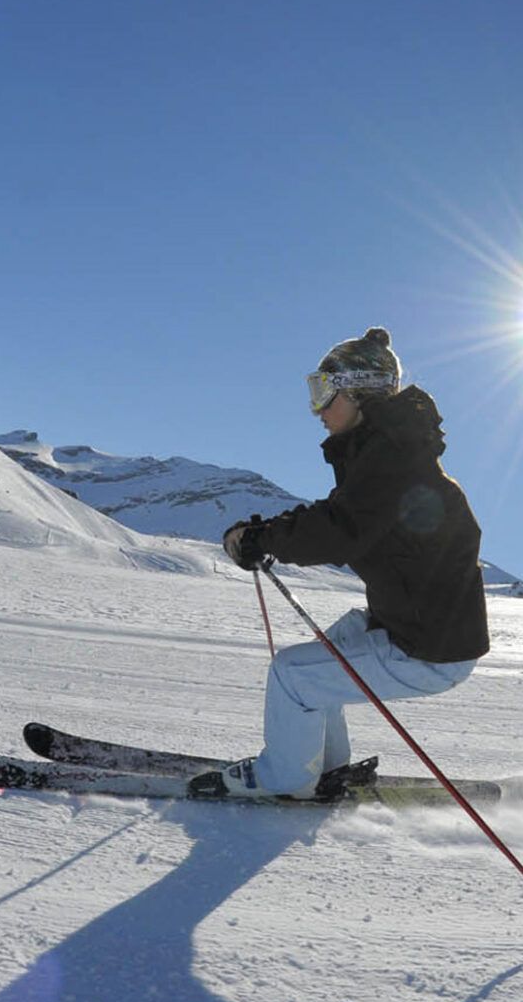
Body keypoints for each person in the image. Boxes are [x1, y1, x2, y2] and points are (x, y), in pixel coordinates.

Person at [191, 327, 490, 798]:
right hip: (411, 627)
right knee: (325, 656)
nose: (318, 409)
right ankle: (326, 767)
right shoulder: (388, 455)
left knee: (292, 675)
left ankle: (284, 780)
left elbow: (339, 530)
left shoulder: (395, 462)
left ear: (359, 393)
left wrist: (264, 540)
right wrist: (266, 533)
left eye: (324, 393)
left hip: (427, 649)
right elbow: (340, 514)